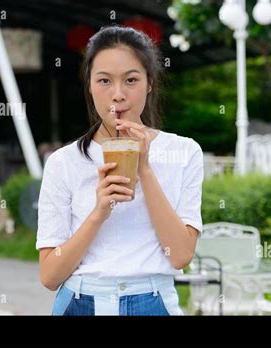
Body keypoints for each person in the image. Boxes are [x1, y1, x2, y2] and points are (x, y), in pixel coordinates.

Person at [36, 26, 203, 316]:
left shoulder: (184, 152)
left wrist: (145, 170)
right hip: (79, 302)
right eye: (104, 81)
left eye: (131, 80)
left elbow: (180, 256)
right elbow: (50, 276)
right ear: (89, 85)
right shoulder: (64, 162)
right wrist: (99, 212)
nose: (117, 95)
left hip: (153, 301)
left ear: (150, 83)